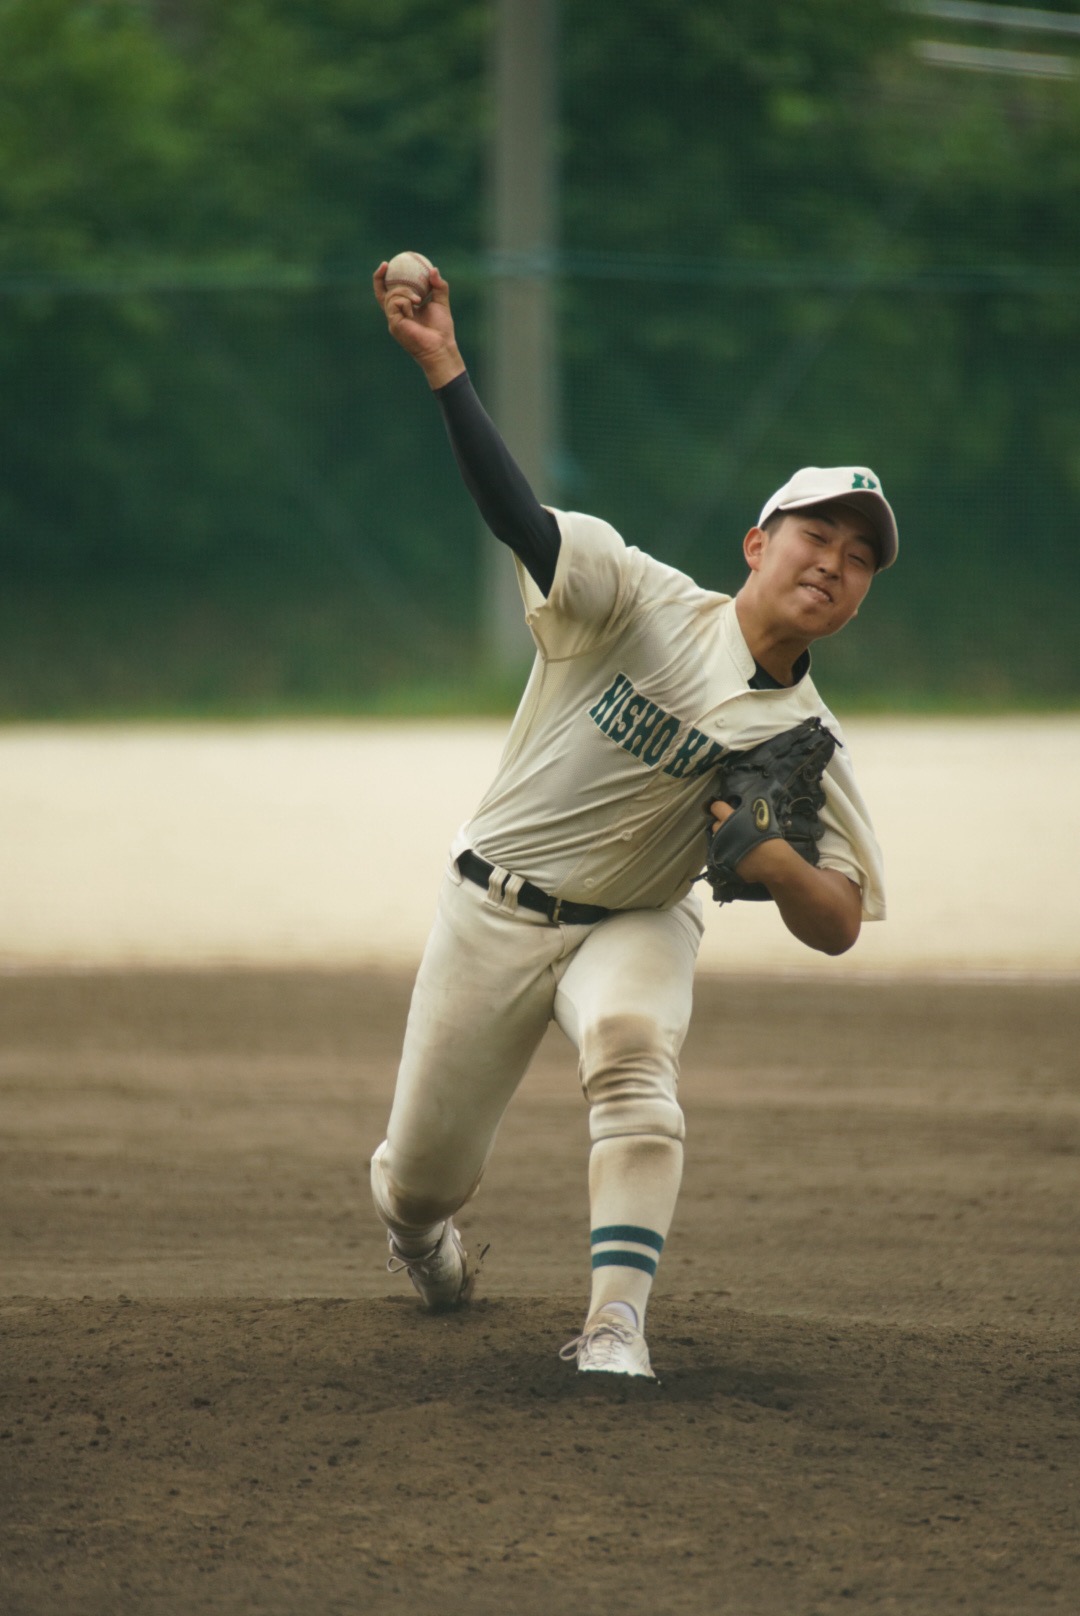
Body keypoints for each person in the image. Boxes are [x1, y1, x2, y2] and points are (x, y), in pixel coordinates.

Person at [369, 258, 896, 1380]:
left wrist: (773, 863)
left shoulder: (809, 738)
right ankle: (419, 1239)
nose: (834, 565)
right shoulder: (636, 599)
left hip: (639, 917)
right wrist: (446, 366)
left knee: (632, 1051)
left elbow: (840, 920)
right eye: (816, 537)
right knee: (421, 1176)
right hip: (493, 904)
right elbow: (519, 519)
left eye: (859, 561)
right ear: (758, 544)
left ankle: (616, 1324)